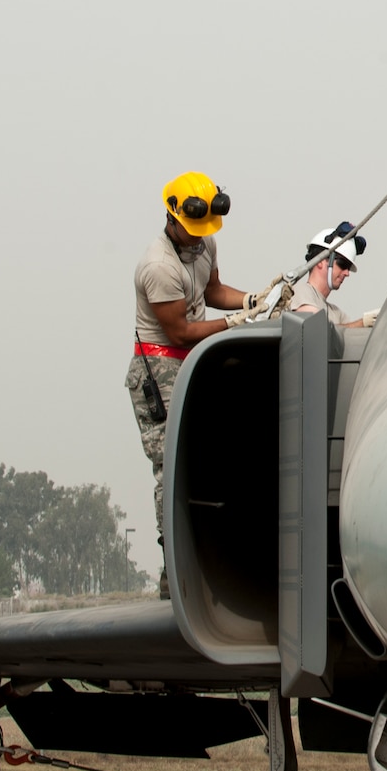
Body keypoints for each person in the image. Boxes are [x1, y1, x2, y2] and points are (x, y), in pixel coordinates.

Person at [125, 171, 276, 593]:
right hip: (160, 368)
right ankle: (172, 567)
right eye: (191, 232)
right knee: (170, 464)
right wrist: (231, 324)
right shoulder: (157, 266)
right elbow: (179, 333)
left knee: (211, 455)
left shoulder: (205, 240)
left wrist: (251, 301)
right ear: (173, 218)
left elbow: (212, 290)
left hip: (194, 357)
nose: (197, 239)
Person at [288, 224, 380, 329]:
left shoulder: (337, 314)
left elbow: (350, 334)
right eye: (343, 264)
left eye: (348, 267)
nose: (347, 273)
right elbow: (315, 328)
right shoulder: (299, 291)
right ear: (319, 260)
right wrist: (362, 323)